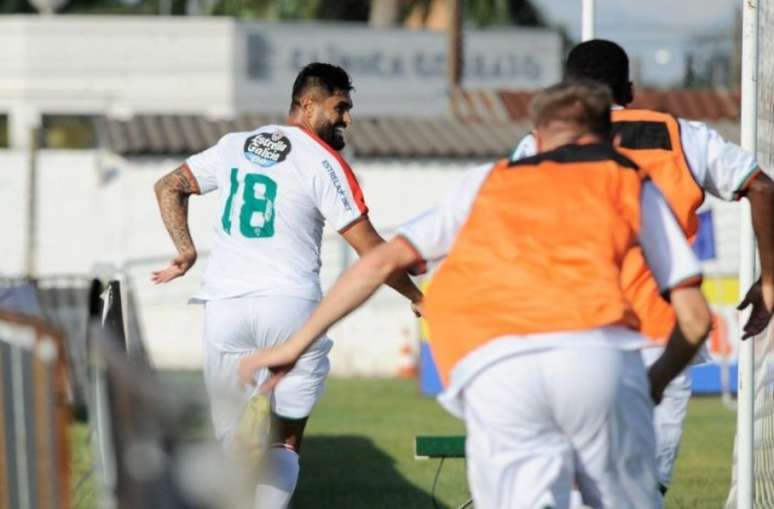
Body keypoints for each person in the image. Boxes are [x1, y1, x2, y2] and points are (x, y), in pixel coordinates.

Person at [237, 81, 712, 508]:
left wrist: (295, 345)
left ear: (538, 136)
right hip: (595, 358)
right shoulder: (630, 182)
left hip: (496, 367)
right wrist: (651, 384)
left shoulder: (485, 181)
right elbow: (694, 320)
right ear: (607, 135)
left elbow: (380, 261)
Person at [151, 62, 423, 509]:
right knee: (284, 443)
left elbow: (169, 185)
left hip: (225, 311)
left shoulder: (234, 145)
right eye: (341, 107)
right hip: (289, 310)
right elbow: (373, 251)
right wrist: (416, 297)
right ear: (308, 104)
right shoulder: (323, 160)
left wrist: (185, 249)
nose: (347, 119)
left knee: (228, 446)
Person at [511, 39, 774, 493]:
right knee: (641, 491)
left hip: (573, 337)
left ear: (569, 90)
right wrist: (770, 278)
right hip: (663, 341)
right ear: (629, 89)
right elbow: (762, 188)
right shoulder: (679, 135)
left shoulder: (541, 143)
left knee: (569, 488)